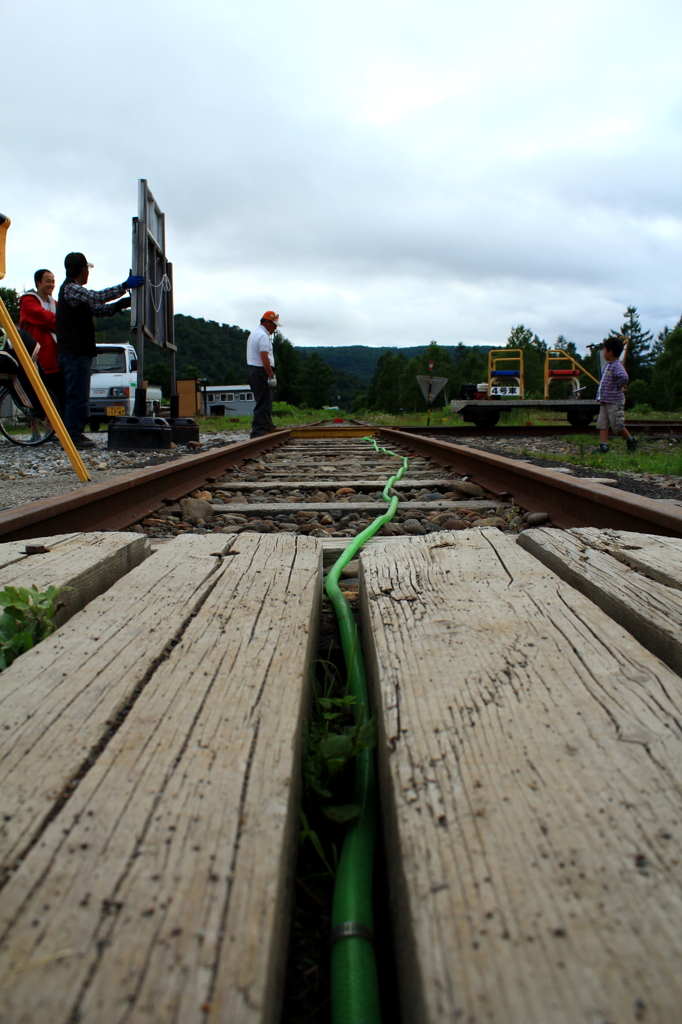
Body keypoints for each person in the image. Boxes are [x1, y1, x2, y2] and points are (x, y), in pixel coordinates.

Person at [55, 252, 142, 449]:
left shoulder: (73, 293)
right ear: (83, 270)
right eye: (87, 269)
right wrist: (124, 287)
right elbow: (97, 297)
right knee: (78, 397)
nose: (88, 273)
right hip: (75, 353)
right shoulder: (71, 289)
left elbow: (99, 309)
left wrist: (121, 304)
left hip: (77, 353)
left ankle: (74, 435)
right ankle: (73, 438)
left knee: (79, 396)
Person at [19, 269, 66, 415]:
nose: (51, 284)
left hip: (54, 357)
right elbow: (45, 317)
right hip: (37, 356)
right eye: (48, 281)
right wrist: (64, 323)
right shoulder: (28, 301)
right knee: (38, 396)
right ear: (38, 282)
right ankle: (36, 432)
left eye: (53, 281)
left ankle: (54, 431)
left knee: (58, 397)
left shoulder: (54, 303)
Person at [596, 336, 637, 453]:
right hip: (604, 401)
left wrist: (619, 387)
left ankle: (630, 439)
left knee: (616, 425)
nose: (603, 353)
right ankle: (603, 446)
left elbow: (624, 377)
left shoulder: (617, 365)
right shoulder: (609, 365)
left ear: (610, 352)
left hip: (614, 401)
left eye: (604, 350)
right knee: (602, 424)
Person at [246, 310, 279, 438]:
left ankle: (267, 424)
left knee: (263, 400)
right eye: (274, 325)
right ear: (268, 322)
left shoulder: (254, 333)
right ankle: (258, 433)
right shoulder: (263, 336)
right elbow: (264, 357)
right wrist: (271, 375)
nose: (275, 328)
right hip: (261, 371)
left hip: (253, 370)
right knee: (264, 402)